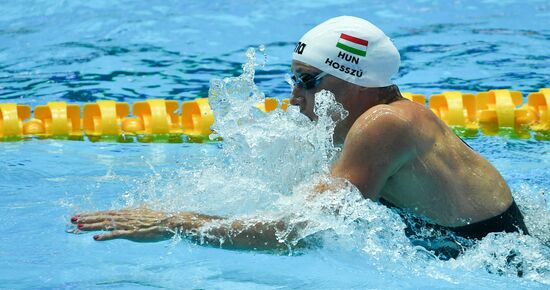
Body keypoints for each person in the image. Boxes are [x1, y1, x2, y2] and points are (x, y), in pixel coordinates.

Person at [71, 16, 528, 258]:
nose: (294, 100)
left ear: (362, 82)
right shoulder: (372, 123)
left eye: (309, 82)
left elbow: (299, 231)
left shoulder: (382, 124)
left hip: (504, 265)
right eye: (293, 81)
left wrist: (179, 223)